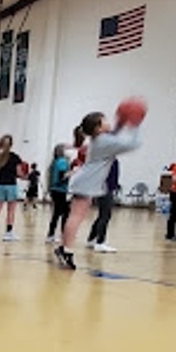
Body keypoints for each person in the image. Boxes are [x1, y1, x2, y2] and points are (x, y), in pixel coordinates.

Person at [56, 108, 142, 271]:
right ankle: (66, 251)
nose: (109, 122)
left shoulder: (100, 139)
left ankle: (64, 248)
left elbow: (114, 135)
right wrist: (134, 125)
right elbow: (132, 144)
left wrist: (120, 123)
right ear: (98, 128)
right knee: (76, 218)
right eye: (105, 121)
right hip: (86, 182)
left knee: (75, 217)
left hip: (86, 181)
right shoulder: (103, 142)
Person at [87, 158, 120, 252]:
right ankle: (100, 242)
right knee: (105, 215)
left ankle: (91, 238)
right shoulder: (107, 160)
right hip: (105, 189)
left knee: (102, 215)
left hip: (104, 188)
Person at [46, 138, 73, 243]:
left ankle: (51, 234)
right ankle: (62, 234)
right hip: (60, 190)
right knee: (64, 212)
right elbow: (62, 176)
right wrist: (72, 173)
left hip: (55, 189)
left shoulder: (55, 161)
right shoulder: (62, 161)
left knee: (57, 213)